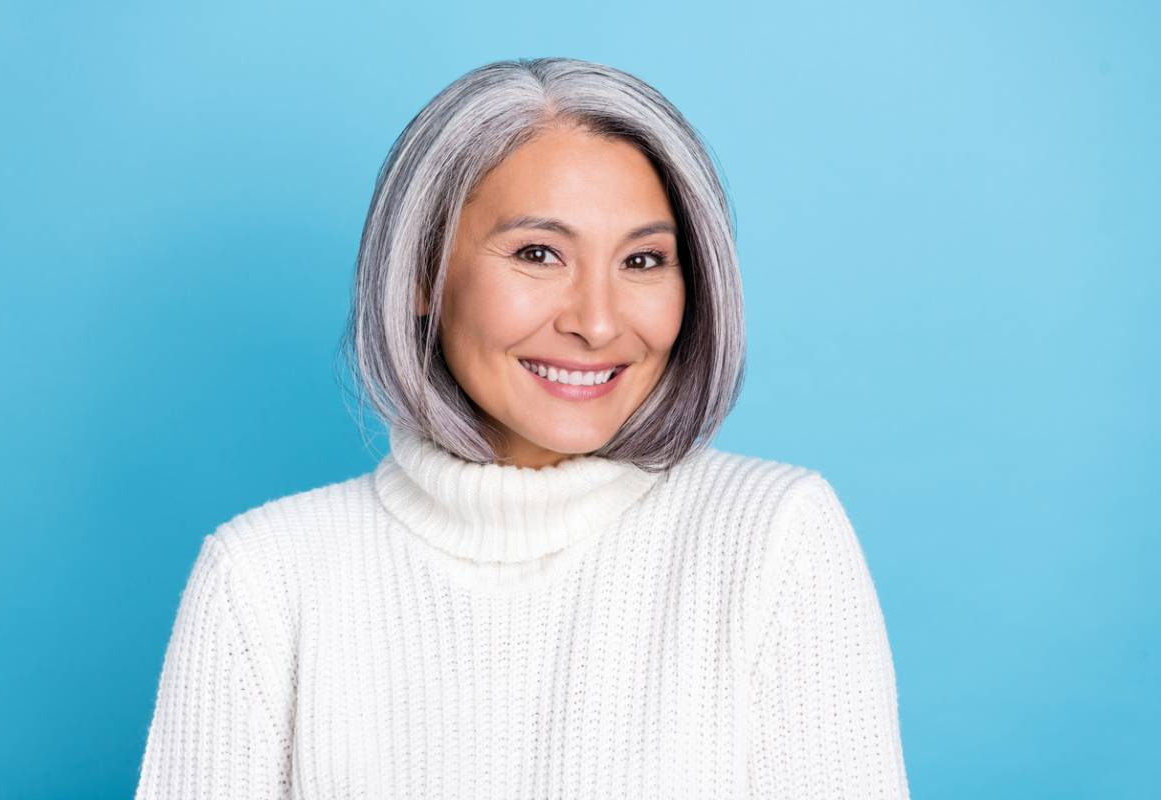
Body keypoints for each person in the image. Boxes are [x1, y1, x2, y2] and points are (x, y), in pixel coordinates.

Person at [134, 57, 911, 799]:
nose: (598, 323)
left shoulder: (773, 538)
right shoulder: (264, 579)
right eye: (539, 254)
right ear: (420, 277)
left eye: (643, 262)